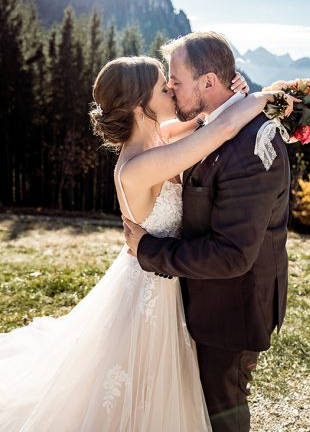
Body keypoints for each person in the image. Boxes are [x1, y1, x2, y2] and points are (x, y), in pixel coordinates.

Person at [0, 49, 285, 431]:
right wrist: (262, 99)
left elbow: (206, 117)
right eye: (160, 86)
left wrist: (230, 95)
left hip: (168, 276)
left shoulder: (158, 136)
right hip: (150, 288)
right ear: (139, 105)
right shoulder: (139, 165)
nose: (170, 88)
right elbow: (220, 131)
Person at [123, 31, 291, 432]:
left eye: (175, 82)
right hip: (198, 301)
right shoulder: (212, 127)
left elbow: (232, 255)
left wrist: (148, 248)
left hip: (232, 309)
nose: (171, 89)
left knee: (222, 408)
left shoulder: (253, 145)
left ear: (209, 83)